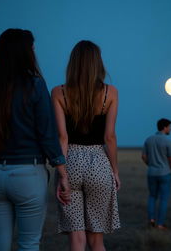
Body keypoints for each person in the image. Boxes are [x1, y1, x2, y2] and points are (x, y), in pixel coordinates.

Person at [0, 28, 70, 251]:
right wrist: (62, 173)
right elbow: (47, 135)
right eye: (32, 47)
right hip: (28, 174)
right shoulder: (34, 85)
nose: (35, 51)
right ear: (24, 52)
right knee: (28, 244)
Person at [52, 40, 120, 251]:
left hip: (70, 161)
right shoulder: (110, 93)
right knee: (96, 241)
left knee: (77, 239)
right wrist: (115, 171)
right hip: (99, 163)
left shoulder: (58, 93)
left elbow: (62, 138)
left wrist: (62, 173)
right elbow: (109, 137)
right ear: (97, 63)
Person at [142, 118, 171, 230]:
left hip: (151, 172)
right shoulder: (168, 141)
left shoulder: (148, 139)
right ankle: (160, 224)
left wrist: (151, 164)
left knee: (152, 196)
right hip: (165, 173)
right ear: (165, 127)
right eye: (170, 126)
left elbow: (143, 156)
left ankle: (151, 220)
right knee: (164, 199)